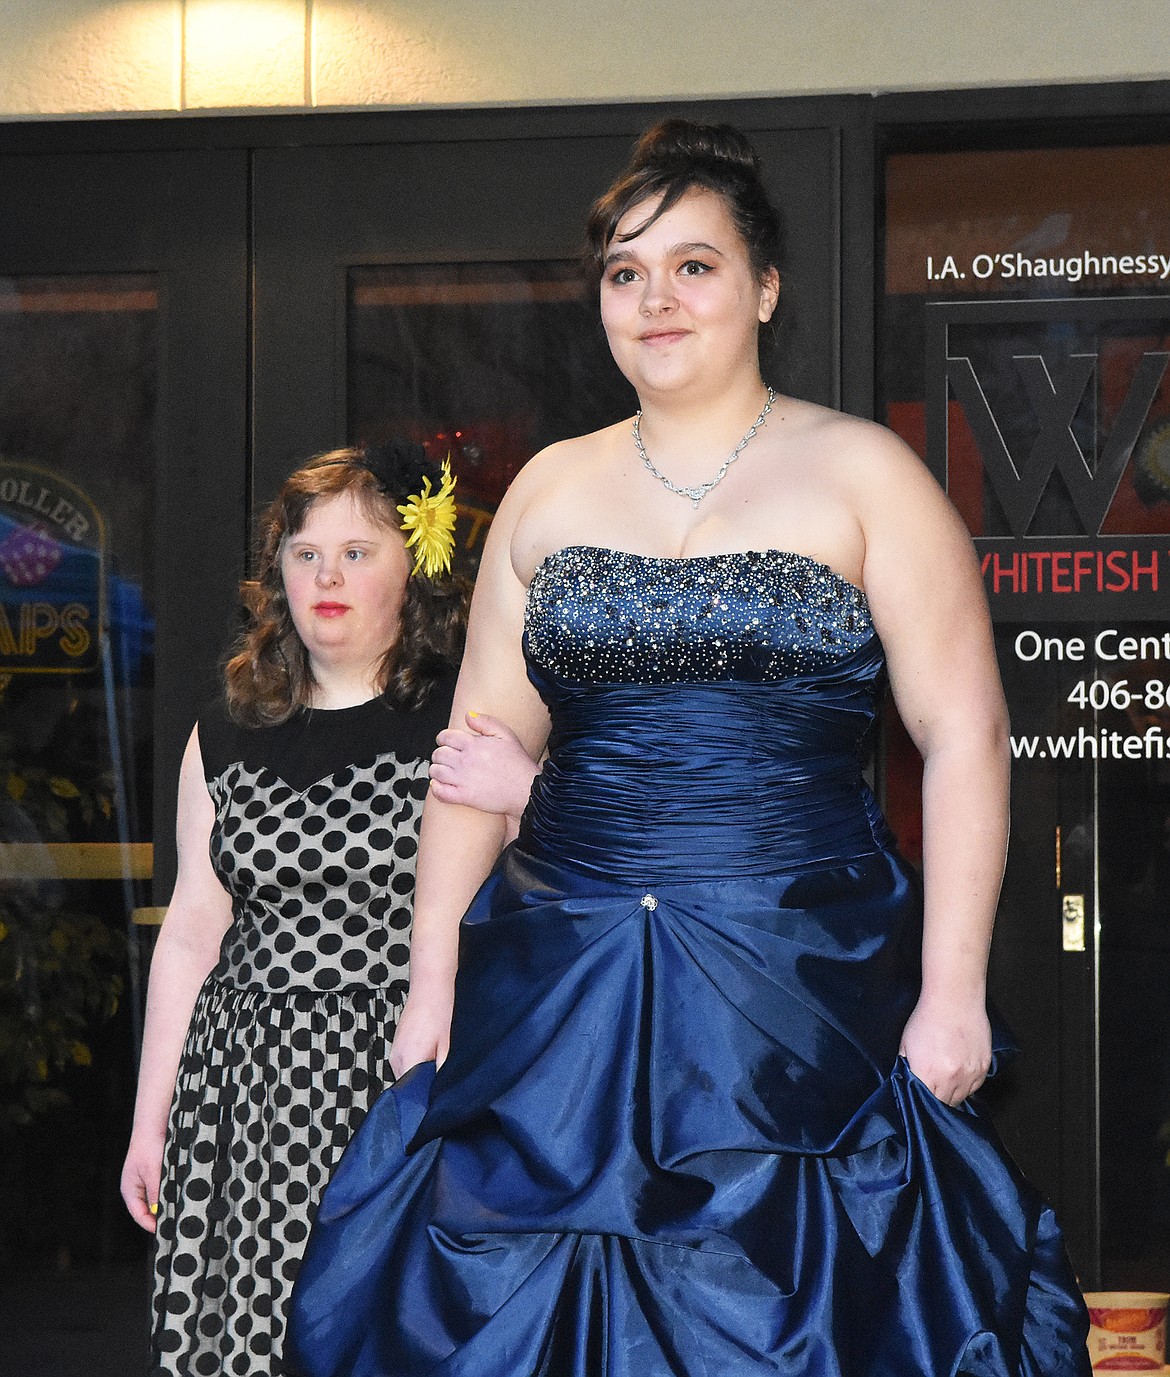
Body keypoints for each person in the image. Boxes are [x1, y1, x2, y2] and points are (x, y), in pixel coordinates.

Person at [286, 122, 1092, 1376]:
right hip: (561, 1000)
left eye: (694, 266)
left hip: (796, 993)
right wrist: (432, 993)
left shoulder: (866, 474)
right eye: (625, 272)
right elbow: (475, 756)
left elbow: (966, 734)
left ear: (765, 288)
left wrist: (952, 993)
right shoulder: (549, 491)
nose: (655, 300)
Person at [119, 443, 533, 1376]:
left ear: (413, 570)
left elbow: (575, 872)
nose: (328, 577)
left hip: (407, 1077)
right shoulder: (224, 727)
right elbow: (190, 933)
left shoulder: (462, 719)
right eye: (306, 555)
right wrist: (152, 1121)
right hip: (245, 1100)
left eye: (358, 550)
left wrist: (531, 785)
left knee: (398, 1339)